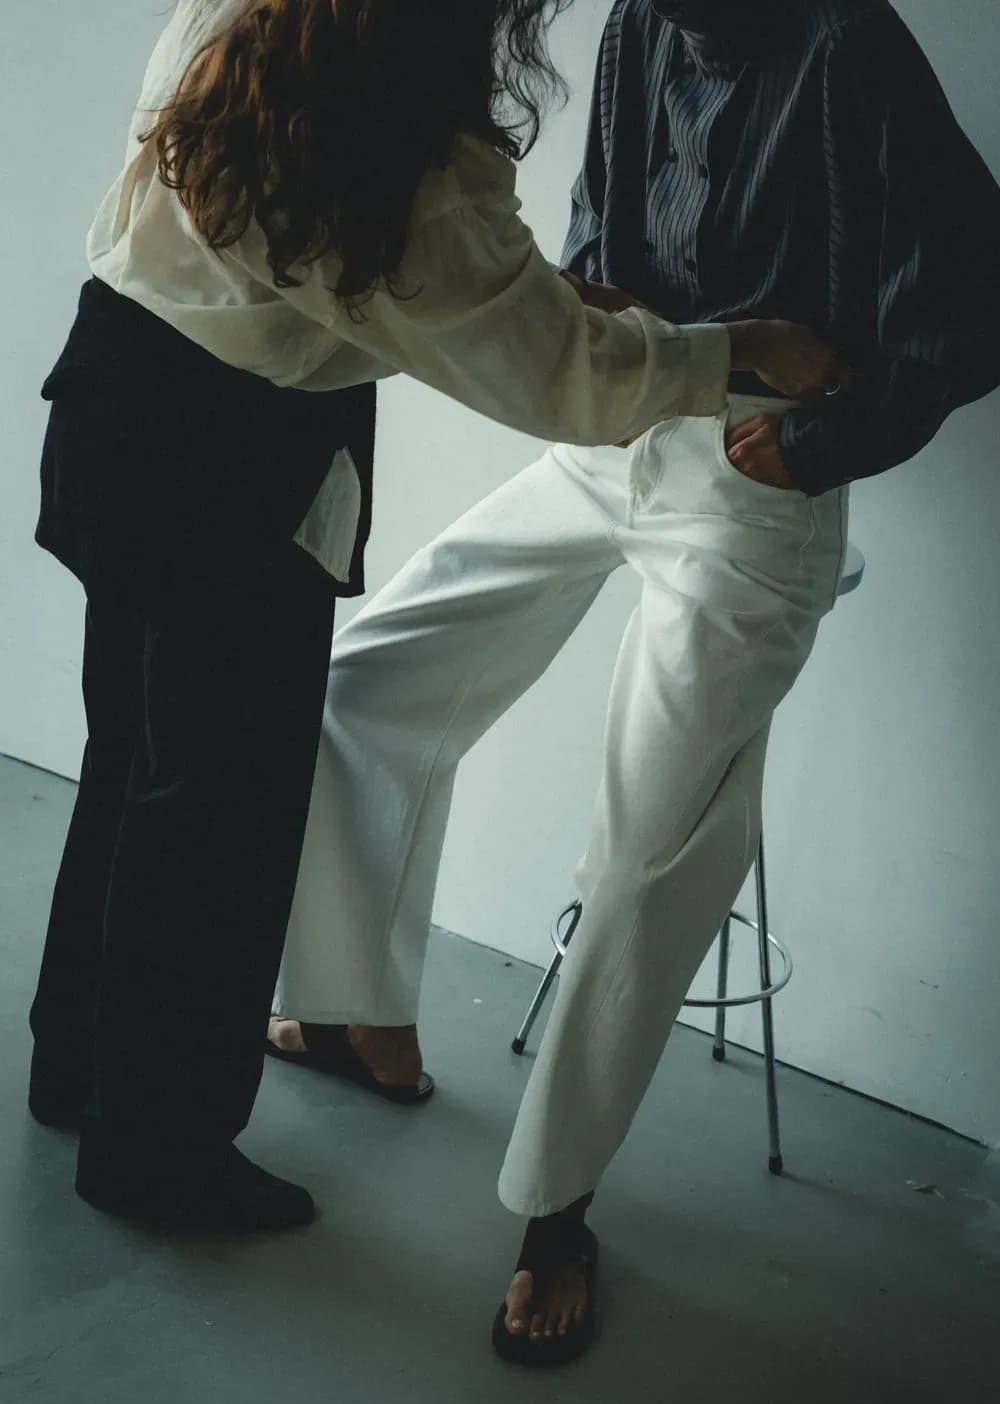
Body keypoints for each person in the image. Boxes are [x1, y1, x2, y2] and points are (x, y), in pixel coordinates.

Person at [27, 0, 834, 1235]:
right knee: (219, 821)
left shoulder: (244, 18)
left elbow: (409, 283)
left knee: (130, 761)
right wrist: (735, 350)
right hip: (233, 467)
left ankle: (75, 1067)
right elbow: (559, 378)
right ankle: (156, 1153)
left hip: (113, 399)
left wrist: (538, 300)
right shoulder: (407, 142)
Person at [269, 0, 1000, 1362]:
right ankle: (367, 1016)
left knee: (641, 849)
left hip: (754, 475)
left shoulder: (845, 41)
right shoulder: (639, 25)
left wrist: (832, 440)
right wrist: (591, 305)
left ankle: (557, 1212)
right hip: (618, 422)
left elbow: (976, 286)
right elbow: (602, 233)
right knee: (370, 674)